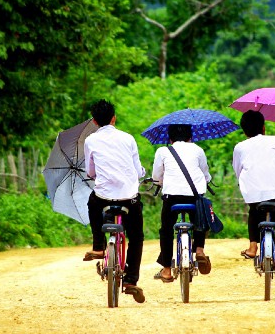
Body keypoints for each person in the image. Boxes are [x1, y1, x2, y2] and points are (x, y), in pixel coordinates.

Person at [83, 99, 147, 303]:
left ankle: (98, 246)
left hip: (103, 197)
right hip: (129, 197)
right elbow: (137, 171)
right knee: (136, 237)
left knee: (92, 202)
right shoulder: (128, 138)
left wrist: (97, 175)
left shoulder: (90, 140)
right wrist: (142, 173)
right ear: (114, 118)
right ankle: (131, 280)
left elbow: (90, 171)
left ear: (94, 121)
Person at [232, 110, 275, 291]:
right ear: (263, 127)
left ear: (244, 131)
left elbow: (238, 171)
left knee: (254, 212)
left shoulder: (239, 147)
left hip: (254, 195)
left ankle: (252, 247)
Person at [150, 124, 213, 283]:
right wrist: (207, 180)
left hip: (172, 197)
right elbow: (205, 173)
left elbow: (157, 176)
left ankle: (166, 269)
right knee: (200, 221)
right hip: (194, 196)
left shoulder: (163, 151)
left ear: (170, 138)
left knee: (166, 229)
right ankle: (199, 250)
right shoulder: (198, 150)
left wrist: (160, 183)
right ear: (190, 137)